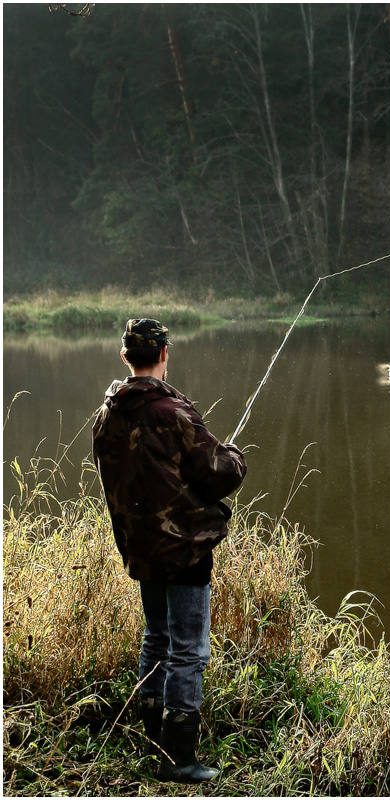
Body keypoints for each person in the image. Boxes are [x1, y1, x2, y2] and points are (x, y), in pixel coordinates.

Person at [92, 318, 247, 783]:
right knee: (188, 651)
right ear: (164, 354)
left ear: (126, 357)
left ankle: (153, 739)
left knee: (156, 637)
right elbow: (220, 474)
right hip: (185, 550)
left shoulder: (106, 415)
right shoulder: (173, 413)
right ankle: (179, 759)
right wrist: (236, 454)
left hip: (140, 548)